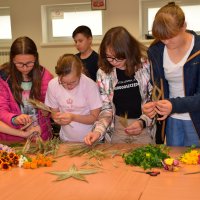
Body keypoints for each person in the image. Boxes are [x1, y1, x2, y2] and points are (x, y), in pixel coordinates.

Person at [84, 26, 155, 145]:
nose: (114, 62)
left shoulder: (145, 66)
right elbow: (106, 109)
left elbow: (153, 101)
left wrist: (142, 122)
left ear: (128, 51)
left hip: (144, 128)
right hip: (118, 128)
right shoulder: (103, 73)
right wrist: (98, 131)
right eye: (109, 57)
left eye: (119, 57)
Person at [142, 2, 200, 146]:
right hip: (171, 119)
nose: (166, 42)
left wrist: (173, 105)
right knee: (174, 162)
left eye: (171, 36)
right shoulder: (156, 51)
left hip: (196, 120)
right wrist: (152, 104)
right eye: (162, 37)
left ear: (183, 26)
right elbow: (157, 87)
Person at [0, 36, 53, 141]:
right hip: (13, 139)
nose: (24, 68)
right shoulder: (4, 77)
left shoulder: (45, 76)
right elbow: (1, 109)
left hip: (40, 136)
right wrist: (14, 119)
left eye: (29, 63)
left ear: (36, 58)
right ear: (12, 59)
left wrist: (48, 111)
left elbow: (53, 104)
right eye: (19, 64)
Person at [45, 54, 102, 142]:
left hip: (89, 139)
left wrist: (73, 117)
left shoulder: (90, 86)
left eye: (73, 82)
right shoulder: (53, 85)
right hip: (65, 139)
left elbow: (95, 117)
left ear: (80, 74)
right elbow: (54, 113)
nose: (68, 86)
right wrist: (57, 119)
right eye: (63, 82)